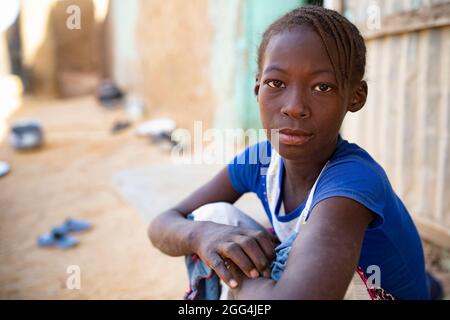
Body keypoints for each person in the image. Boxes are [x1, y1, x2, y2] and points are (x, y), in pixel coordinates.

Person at [148, 5, 430, 300]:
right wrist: (202, 236)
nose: (294, 106)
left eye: (322, 87)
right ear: (258, 88)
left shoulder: (353, 181)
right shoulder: (260, 161)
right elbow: (163, 223)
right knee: (209, 218)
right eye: (276, 83)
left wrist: (230, 270)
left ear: (355, 97)